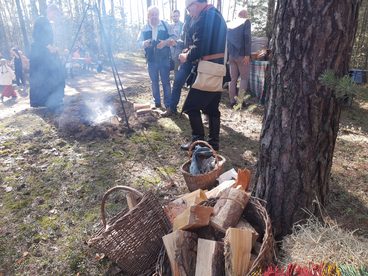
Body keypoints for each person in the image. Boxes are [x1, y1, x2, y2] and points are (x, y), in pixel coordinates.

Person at [179, 0, 227, 151]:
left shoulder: (206, 17)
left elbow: (200, 47)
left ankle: (198, 141)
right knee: (212, 107)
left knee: (191, 107)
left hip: (208, 69)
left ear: (196, 4)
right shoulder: (216, 15)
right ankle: (213, 143)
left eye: (189, 8)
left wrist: (186, 56)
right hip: (218, 68)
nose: (189, 12)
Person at [137, 6, 176, 109]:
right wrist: (144, 43)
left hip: (164, 59)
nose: (154, 16)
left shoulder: (165, 25)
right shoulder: (144, 28)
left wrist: (165, 42)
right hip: (151, 60)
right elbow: (137, 43)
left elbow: (175, 38)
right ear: (148, 16)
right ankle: (157, 103)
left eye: (156, 14)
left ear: (158, 15)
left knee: (166, 82)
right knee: (154, 82)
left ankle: (168, 104)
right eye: (152, 14)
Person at [162, 13, 196, 117]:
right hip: (187, 59)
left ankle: (197, 112)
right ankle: (172, 109)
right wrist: (175, 43)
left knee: (196, 87)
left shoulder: (204, 18)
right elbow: (183, 39)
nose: (189, 9)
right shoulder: (188, 19)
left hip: (200, 60)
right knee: (177, 82)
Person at [29, 16, 65, 112]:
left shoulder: (36, 46)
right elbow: (48, 71)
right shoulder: (40, 48)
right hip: (47, 98)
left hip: (43, 97)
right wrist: (53, 54)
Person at [227, 9, 251, 107]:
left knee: (233, 79)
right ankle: (240, 102)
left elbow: (227, 40)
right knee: (244, 79)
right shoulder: (246, 22)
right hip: (242, 55)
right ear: (245, 15)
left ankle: (232, 101)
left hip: (232, 55)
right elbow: (247, 37)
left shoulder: (230, 24)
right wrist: (247, 54)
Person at [170, 9, 184, 75]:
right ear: (172, 17)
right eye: (174, 16)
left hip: (178, 50)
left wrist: (176, 42)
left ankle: (177, 83)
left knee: (177, 68)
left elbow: (183, 37)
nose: (175, 17)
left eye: (176, 16)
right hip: (170, 51)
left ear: (179, 16)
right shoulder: (170, 26)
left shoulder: (182, 25)